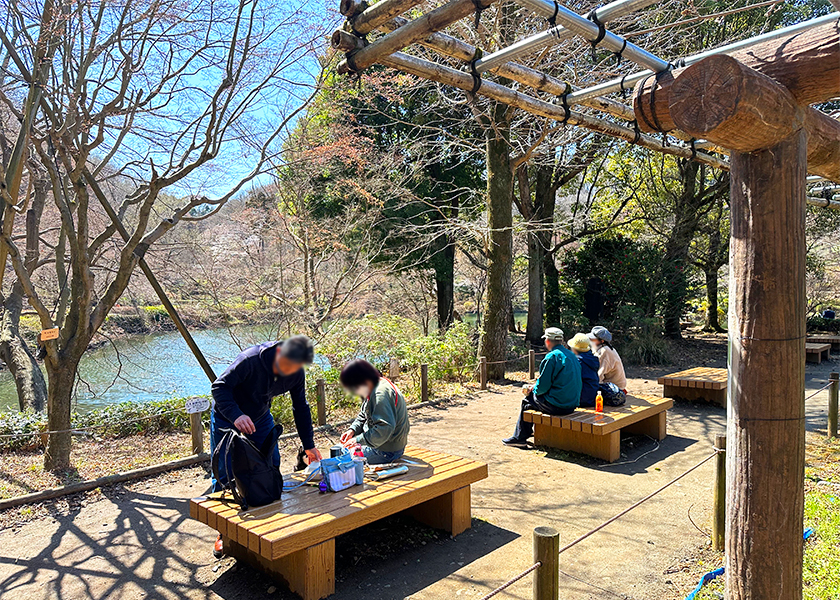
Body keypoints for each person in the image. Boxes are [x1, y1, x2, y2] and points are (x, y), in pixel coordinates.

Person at [209, 335, 322, 558]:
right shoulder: (250, 360)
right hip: (227, 417)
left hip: (260, 417)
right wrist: (236, 415)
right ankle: (224, 533)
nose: (290, 372)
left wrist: (308, 445)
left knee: (270, 465)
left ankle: (272, 525)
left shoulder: (296, 371)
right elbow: (219, 388)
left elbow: (301, 407)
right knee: (225, 473)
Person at [503, 327, 582, 447]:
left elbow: (542, 387)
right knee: (531, 402)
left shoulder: (552, 357)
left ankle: (520, 438)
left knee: (527, 401)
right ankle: (525, 433)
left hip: (558, 405)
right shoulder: (571, 355)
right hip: (572, 405)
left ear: (548, 341)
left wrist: (532, 389)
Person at [339, 359, 410, 464]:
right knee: (340, 449)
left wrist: (358, 440)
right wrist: (352, 430)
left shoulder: (380, 394)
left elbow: (385, 428)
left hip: (386, 451)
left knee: (343, 459)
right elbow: (364, 415)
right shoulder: (373, 386)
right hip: (379, 443)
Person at [588, 326, 627, 391]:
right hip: (615, 385)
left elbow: (599, 375)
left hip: (614, 388)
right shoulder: (604, 348)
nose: (590, 340)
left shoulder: (605, 351)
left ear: (602, 341)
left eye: (593, 339)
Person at [567, 333, 599, 408]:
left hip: (581, 398)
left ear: (574, 348)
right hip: (592, 396)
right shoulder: (592, 359)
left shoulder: (577, 361)